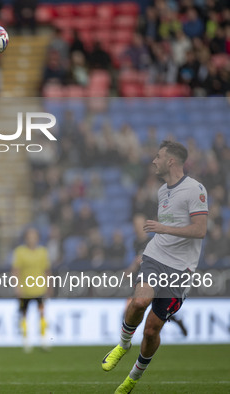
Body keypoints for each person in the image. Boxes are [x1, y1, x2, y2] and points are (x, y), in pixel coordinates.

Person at [101, 141, 208, 393]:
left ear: (171, 161)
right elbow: (166, 234)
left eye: (158, 157)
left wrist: (163, 228)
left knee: (151, 331)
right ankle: (124, 344)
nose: (154, 161)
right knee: (138, 302)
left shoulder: (195, 189)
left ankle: (133, 377)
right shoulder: (163, 191)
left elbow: (200, 230)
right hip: (155, 257)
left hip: (181, 271)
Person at [11, 228, 51, 352]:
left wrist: (49, 286)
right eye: (29, 236)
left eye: (34, 236)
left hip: (40, 289)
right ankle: (26, 340)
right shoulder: (20, 252)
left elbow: (46, 271)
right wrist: (17, 286)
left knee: (42, 314)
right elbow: (16, 271)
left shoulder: (43, 252)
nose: (32, 239)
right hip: (25, 290)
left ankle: (44, 339)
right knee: (24, 314)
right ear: (26, 238)